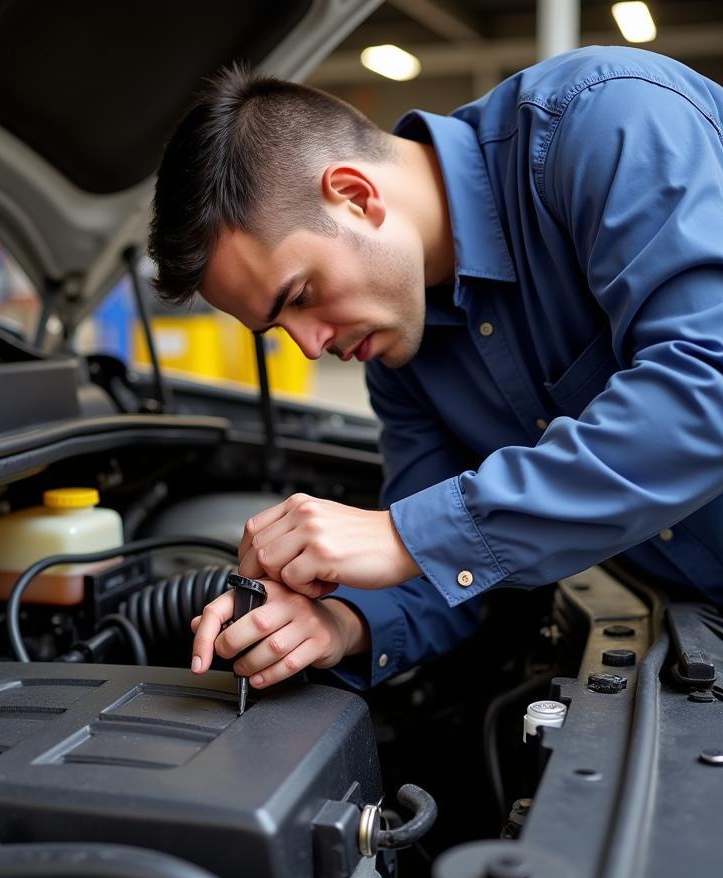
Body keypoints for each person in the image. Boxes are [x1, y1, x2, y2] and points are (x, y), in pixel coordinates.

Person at [146, 46, 723, 693]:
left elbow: (707, 384)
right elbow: (444, 573)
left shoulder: (605, 120)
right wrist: (336, 622)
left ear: (354, 196)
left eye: (300, 296)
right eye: (277, 329)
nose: (309, 346)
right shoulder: (401, 359)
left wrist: (403, 534)